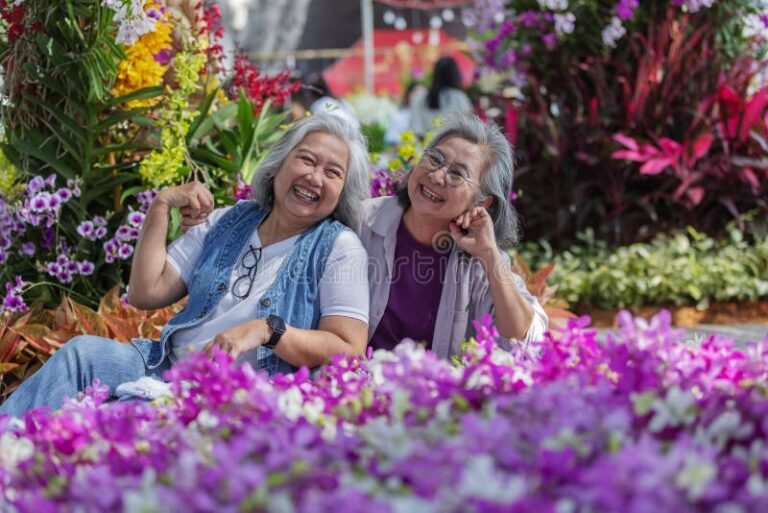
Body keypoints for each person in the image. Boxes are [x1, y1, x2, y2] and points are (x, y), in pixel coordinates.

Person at [0, 113, 371, 417]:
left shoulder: (339, 247)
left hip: (232, 397)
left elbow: (349, 347)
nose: (314, 177)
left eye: (333, 172)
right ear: (278, 165)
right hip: (165, 366)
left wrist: (267, 330)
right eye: (306, 159)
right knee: (82, 353)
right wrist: (161, 206)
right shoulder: (230, 220)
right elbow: (145, 292)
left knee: (123, 415)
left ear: (342, 192)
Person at [360, 112, 547, 358]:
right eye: (435, 159)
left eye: (457, 174)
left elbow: (527, 340)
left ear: (482, 201)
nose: (437, 177)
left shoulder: (481, 259)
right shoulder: (361, 222)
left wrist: (489, 256)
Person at [409, 56, 473, 136]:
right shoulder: (460, 98)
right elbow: (468, 129)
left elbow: (415, 130)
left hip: (425, 146)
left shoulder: (419, 99)